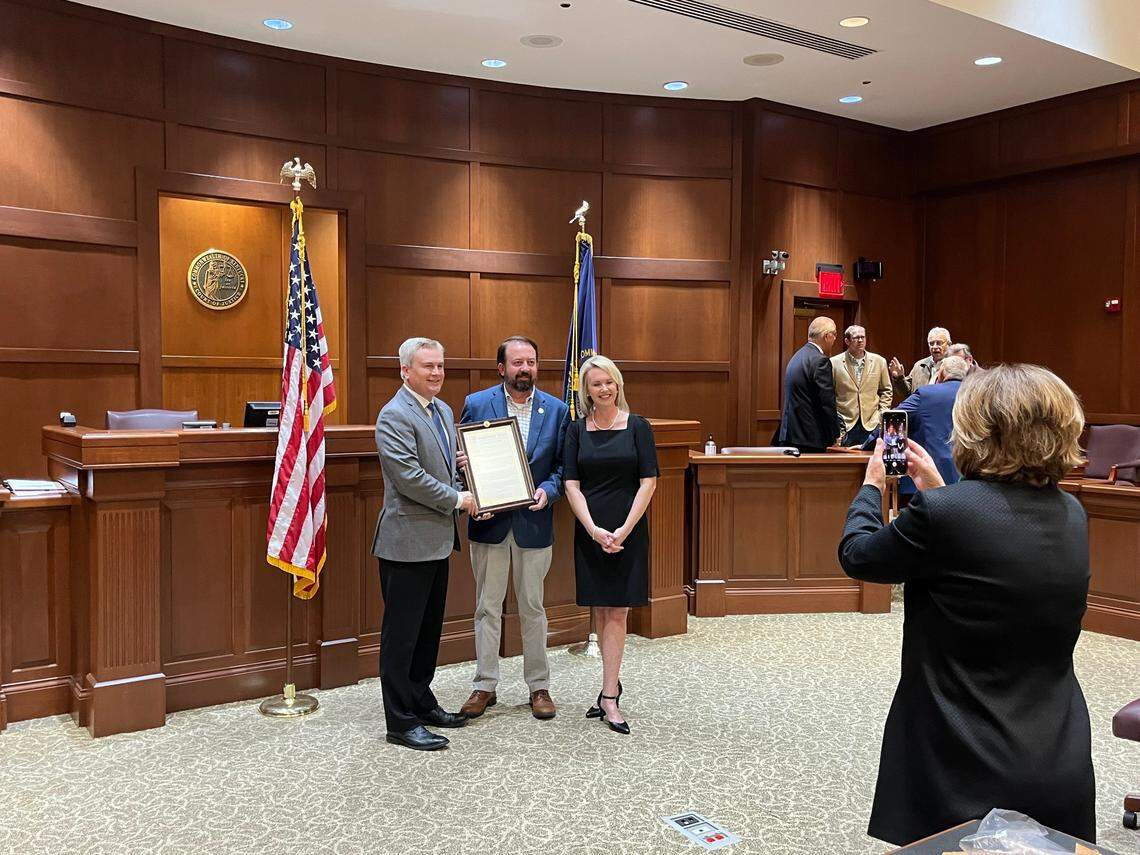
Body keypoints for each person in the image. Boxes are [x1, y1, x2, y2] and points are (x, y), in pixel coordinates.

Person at [838, 363, 1095, 846]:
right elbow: (990, 541)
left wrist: (872, 484)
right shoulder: (1071, 513)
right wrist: (942, 489)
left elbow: (858, 556)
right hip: (1055, 748)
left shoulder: (945, 514)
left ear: (978, 432)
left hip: (962, 756)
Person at [372, 336, 476, 751]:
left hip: (436, 541)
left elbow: (441, 467)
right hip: (406, 543)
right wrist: (457, 498)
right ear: (405, 371)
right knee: (402, 637)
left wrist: (462, 471)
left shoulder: (443, 410)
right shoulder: (393, 416)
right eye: (427, 366)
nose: (436, 373)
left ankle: (421, 701)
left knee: (427, 632)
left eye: (440, 365)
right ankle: (399, 721)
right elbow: (409, 478)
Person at [458, 336, 569, 721]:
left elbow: (562, 466)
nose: (526, 369)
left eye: (532, 362)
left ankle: (539, 686)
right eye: (518, 363)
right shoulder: (476, 404)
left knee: (533, 608)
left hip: (533, 525)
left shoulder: (557, 410)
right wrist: (472, 496)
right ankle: (484, 686)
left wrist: (548, 490)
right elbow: (463, 463)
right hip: (490, 524)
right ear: (502, 368)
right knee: (487, 608)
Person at [563, 355, 657, 735]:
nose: (604, 389)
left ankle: (608, 697)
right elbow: (571, 484)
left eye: (610, 382)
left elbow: (648, 481)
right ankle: (610, 683)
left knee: (617, 612)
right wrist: (593, 530)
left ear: (618, 385)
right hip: (591, 531)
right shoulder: (575, 430)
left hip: (627, 530)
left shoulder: (637, 427)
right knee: (601, 612)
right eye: (596, 383)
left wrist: (622, 530)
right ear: (586, 390)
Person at [892, 354, 969, 494]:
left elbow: (894, 418)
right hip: (971, 476)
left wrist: (867, 444)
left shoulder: (926, 393)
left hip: (927, 475)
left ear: (941, 373)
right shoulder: (979, 395)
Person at [775, 316, 842, 453]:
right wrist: (835, 434)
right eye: (834, 334)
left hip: (791, 434)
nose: (835, 338)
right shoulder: (820, 361)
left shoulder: (798, 356)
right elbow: (826, 402)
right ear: (827, 336)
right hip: (810, 438)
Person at [831, 325, 892, 447]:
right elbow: (830, 393)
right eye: (856, 338)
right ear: (847, 341)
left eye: (862, 337)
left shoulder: (879, 361)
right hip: (846, 423)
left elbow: (886, 390)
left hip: (871, 422)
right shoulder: (834, 362)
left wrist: (882, 412)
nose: (860, 340)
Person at [889, 326, 950, 399]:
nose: (934, 347)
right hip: (922, 408)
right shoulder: (919, 365)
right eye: (931, 343)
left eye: (939, 343)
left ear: (949, 344)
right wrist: (899, 378)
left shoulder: (955, 365)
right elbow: (906, 393)